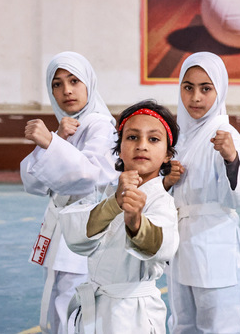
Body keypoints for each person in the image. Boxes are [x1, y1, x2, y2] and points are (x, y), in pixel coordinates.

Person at [59, 100, 180, 333]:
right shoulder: (108, 194)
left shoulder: (161, 201)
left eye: (153, 139)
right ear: (119, 147)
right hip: (96, 308)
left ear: (167, 154)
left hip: (132, 314)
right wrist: (115, 203)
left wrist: (135, 222)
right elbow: (76, 235)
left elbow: (163, 246)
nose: (141, 146)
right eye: (132, 137)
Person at [20, 51, 118, 333]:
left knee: (78, 309)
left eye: (74, 80)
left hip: (88, 227)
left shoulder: (100, 125)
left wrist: (52, 143)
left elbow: (89, 177)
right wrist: (57, 139)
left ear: (88, 83)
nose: (67, 90)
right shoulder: (65, 128)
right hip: (63, 228)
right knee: (62, 306)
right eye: (57, 84)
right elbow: (33, 182)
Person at [163, 52, 240, 334]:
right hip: (180, 245)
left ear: (220, 90)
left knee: (218, 327)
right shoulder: (176, 136)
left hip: (215, 243)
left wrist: (231, 159)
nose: (196, 97)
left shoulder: (225, 134)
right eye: (188, 87)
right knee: (182, 325)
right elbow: (162, 193)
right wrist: (167, 181)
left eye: (206, 88)